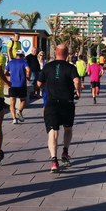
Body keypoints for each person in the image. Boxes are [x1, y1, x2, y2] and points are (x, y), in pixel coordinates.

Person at [37, 43, 81, 173]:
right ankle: (65, 152)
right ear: (67, 54)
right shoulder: (70, 67)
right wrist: (78, 92)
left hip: (51, 103)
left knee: (53, 132)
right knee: (68, 129)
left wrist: (47, 85)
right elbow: (77, 81)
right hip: (67, 103)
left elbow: (39, 83)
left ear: (55, 52)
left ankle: (54, 161)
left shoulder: (47, 67)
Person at [6, 49, 30, 124]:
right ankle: (19, 111)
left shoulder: (10, 62)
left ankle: (14, 119)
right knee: (23, 100)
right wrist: (28, 77)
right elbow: (28, 70)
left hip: (12, 85)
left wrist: (10, 75)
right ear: (22, 55)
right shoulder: (24, 62)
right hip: (22, 84)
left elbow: (5, 72)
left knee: (12, 102)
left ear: (16, 55)